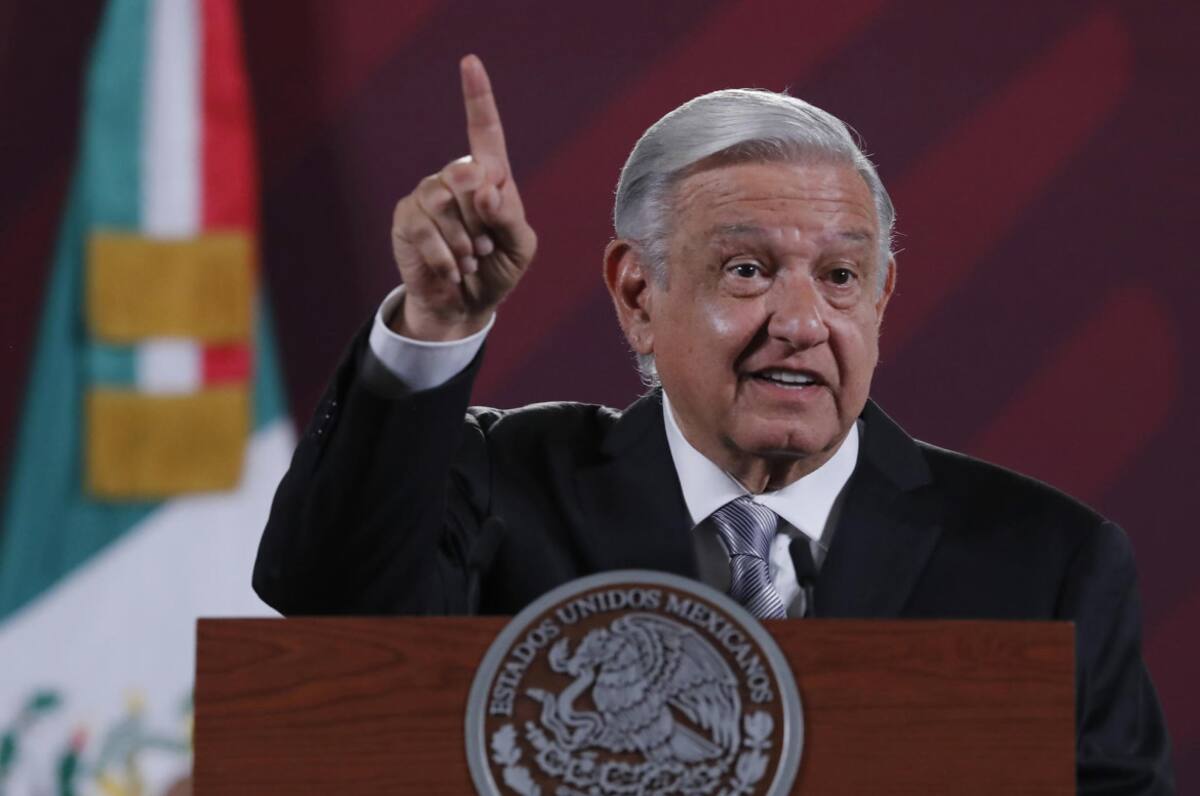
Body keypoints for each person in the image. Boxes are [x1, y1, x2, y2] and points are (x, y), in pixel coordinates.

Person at [254, 56, 1173, 792]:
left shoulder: (1048, 561)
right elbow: (333, 602)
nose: (804, 320)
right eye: (746, 269)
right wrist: (438, 323)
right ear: (636, 293)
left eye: (841, 277)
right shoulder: (503, 483)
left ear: (882, 297)